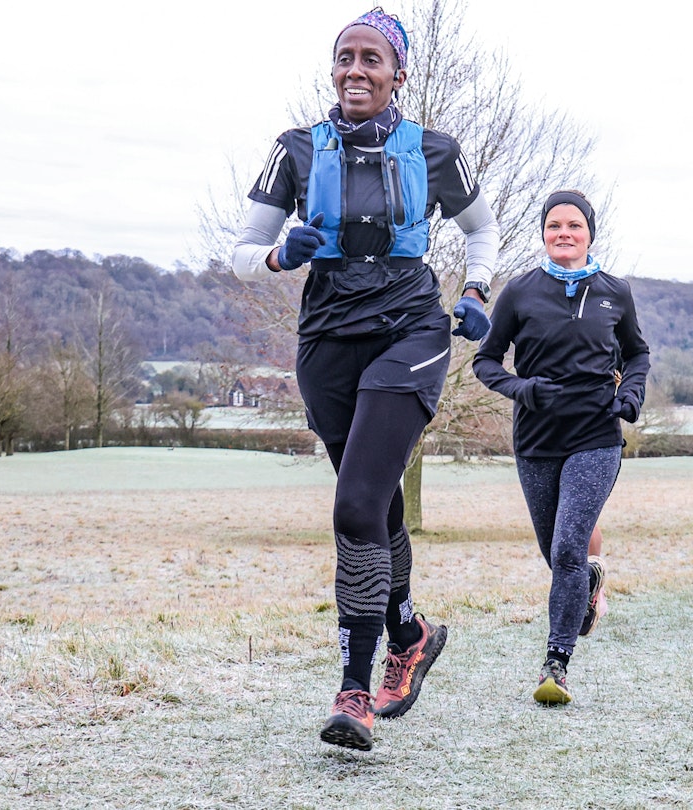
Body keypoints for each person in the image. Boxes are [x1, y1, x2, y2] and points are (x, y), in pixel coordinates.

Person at [231, 7, 499, 751]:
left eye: (371, 59)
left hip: (409, 328)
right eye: (345, 57)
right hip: (325, 338)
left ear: (397, 74)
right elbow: (239, 251)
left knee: (354, 504)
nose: (356, 69)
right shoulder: (294, 149)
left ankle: (355, 691)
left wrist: (476, 292)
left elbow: (482, 227)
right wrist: (284, 254)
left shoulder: (436, 150)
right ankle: (410, 631)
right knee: (373, 504)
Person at [473, 190, 649, 705]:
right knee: (556, 555)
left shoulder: (614, 292)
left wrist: (630, 393)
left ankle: (557, 663)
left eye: (574, 225)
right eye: (554, 225)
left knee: (570, 547)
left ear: (590, 233)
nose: (564, 233)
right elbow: (486, 362)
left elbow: (637, 353)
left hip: (596, 433)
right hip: (536, 437)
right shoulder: (519, 292)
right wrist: (521, 389)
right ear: (543, 233)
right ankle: (587, 587)